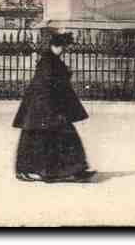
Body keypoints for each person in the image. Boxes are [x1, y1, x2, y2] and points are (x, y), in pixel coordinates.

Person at [12, 32, 95, 183]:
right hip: (45, 107)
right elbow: (48, 85)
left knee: (58, 137)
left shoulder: (51, 60)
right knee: (46, 138)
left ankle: (74, 170)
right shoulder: (48, 62)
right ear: (54, 46)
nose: (63, 50)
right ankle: (31, 170)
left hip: (45, 107)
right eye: (61, 47)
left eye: (63, 47)